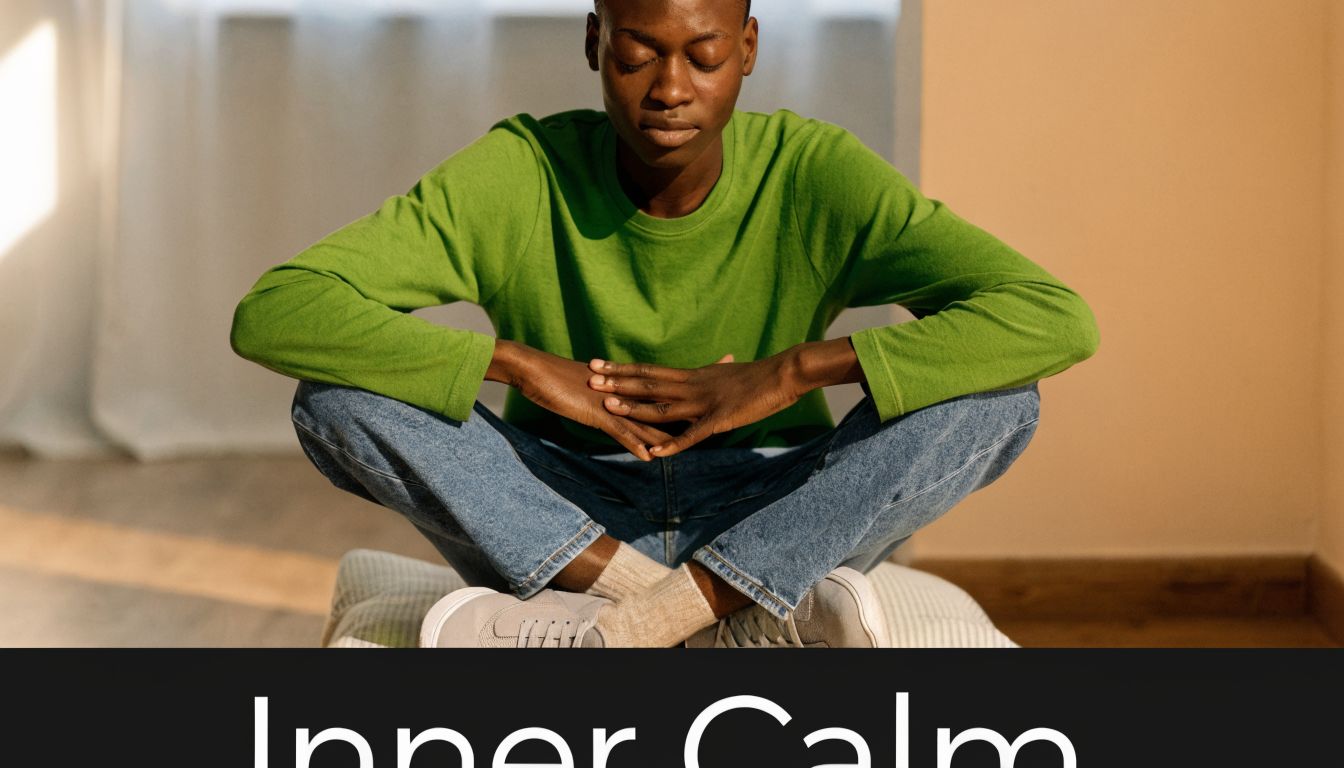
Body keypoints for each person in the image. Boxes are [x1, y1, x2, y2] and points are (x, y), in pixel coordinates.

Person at [230, 0, 1098, 649]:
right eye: (638, 54)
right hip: (560, 520)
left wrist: (797, 370)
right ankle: (700, 611)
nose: (671, 88)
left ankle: (660, 616)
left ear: (748, 50)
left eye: (705, 56)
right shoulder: (520, 171)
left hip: (773, 504)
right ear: (593, 42)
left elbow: (1052, 318)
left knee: (1000, 402)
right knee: (335, 401)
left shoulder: (813, 172)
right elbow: (278, 311)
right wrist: (517, 364)